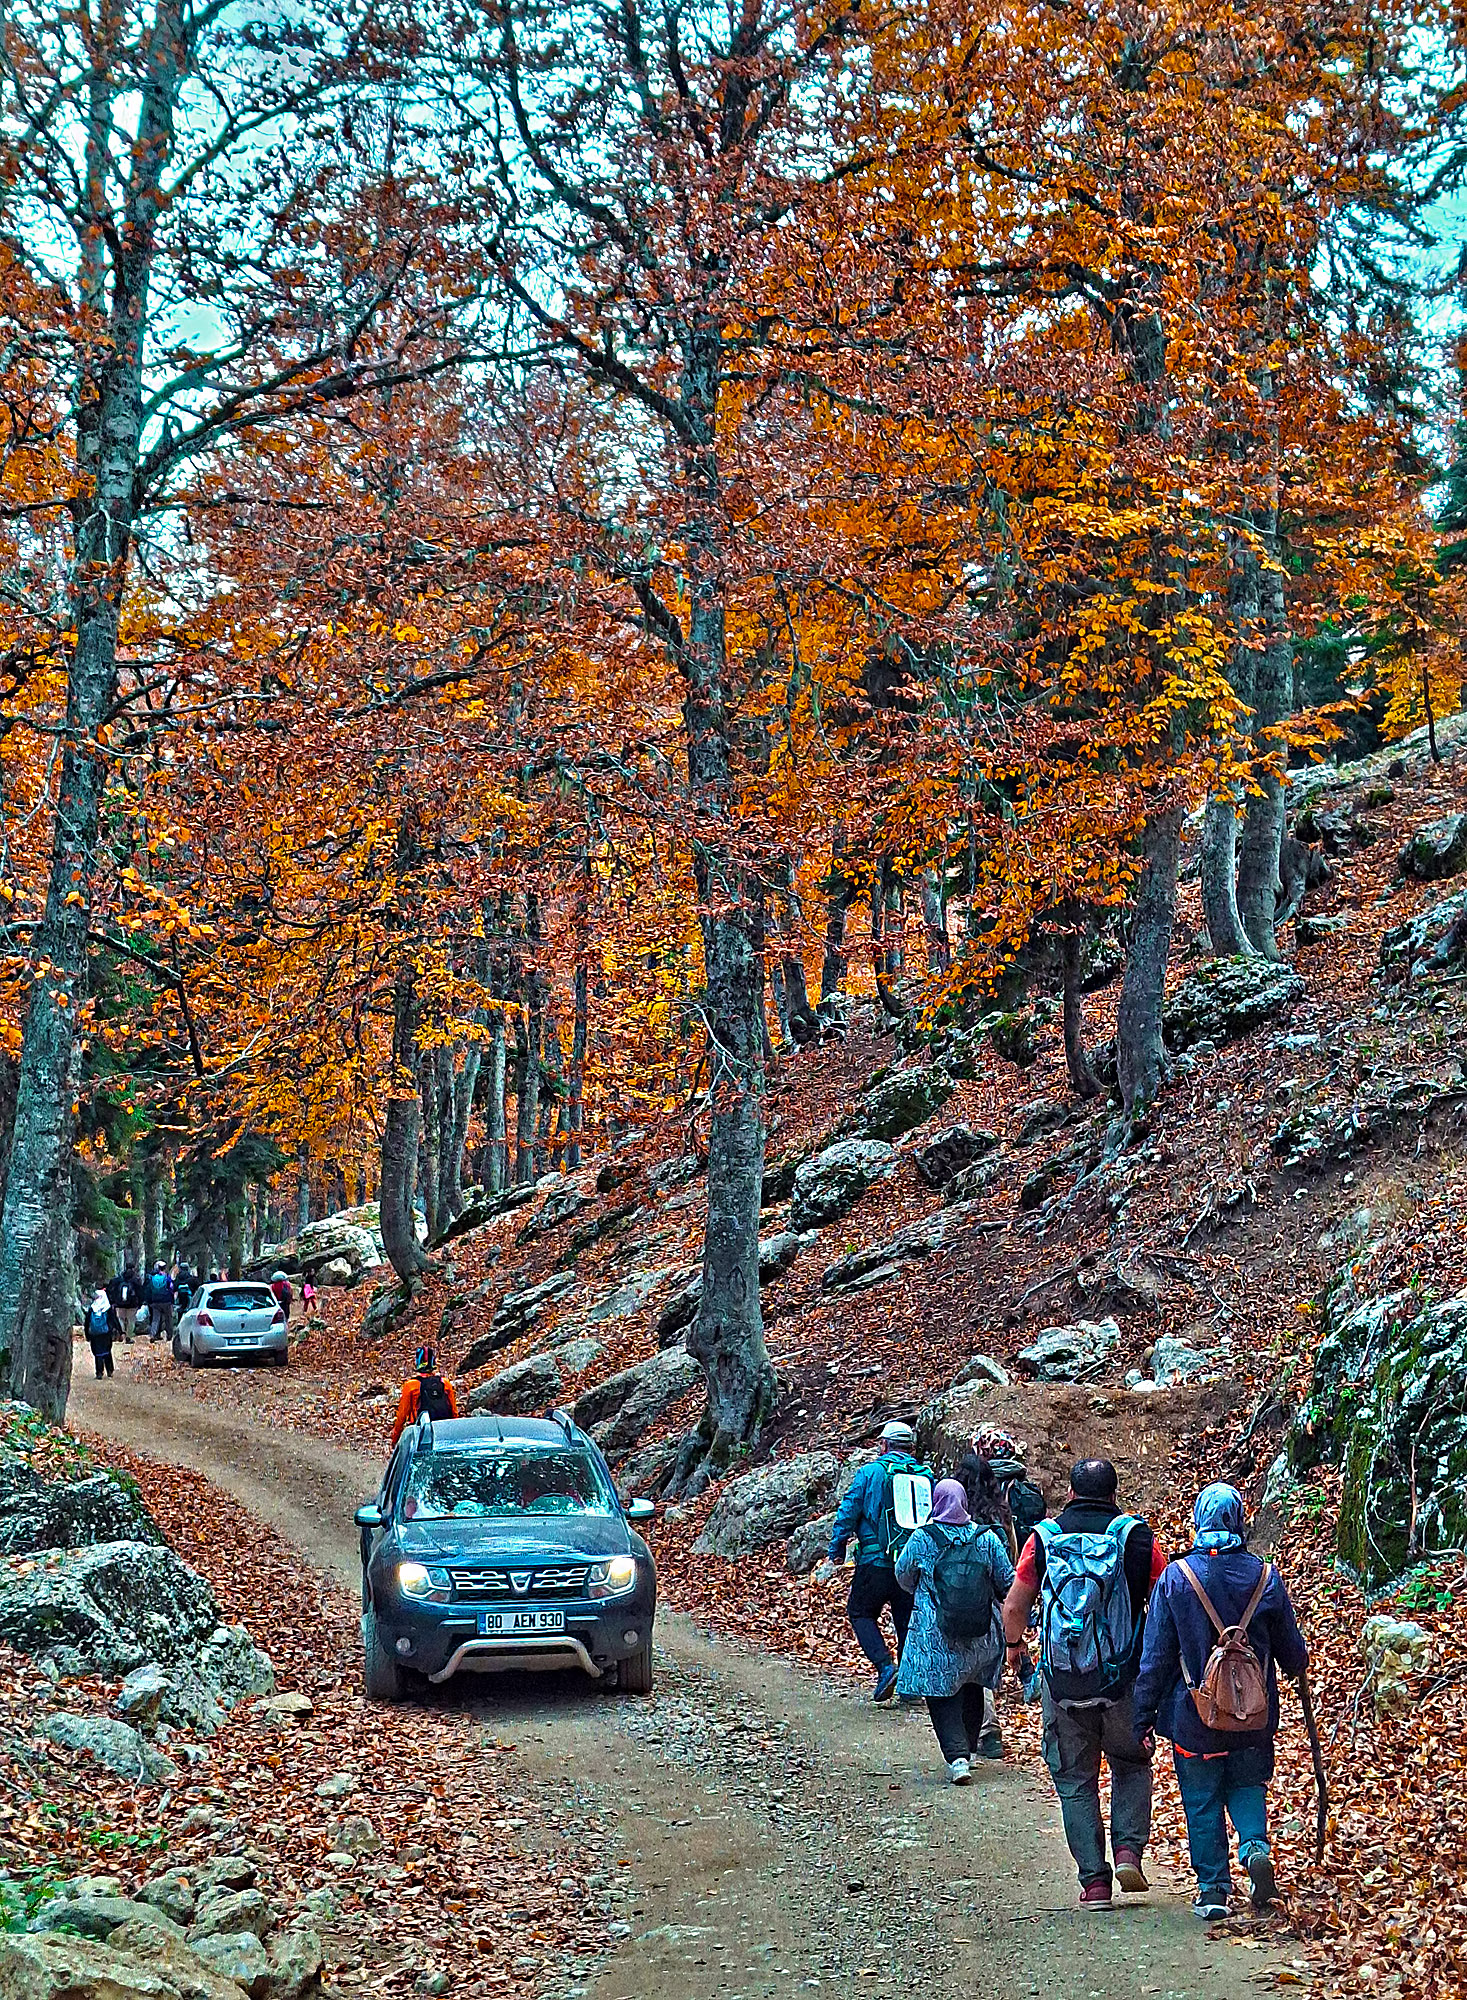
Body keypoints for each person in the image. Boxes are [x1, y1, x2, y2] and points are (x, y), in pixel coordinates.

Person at [1133, 1482, 1308, 1920]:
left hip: (1195, 1719)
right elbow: (1294, 1655)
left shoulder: (1176, 1578)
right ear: (1240, 1519)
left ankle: (1213, 1891)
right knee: (1247, 1785)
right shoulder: (1266, 1577)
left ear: (1198, 1521)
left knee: (1202, 1799)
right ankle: (1254, 1848)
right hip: (1253, 1718)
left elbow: (1154, 1659)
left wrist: (1141, 1720)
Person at [1002, 1457, 1166, 1908]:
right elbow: (1166, 1598)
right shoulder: (1136, 1539)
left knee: (1075, 1779)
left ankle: (1095, 1882)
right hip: (1123, 1679)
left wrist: (1016, 1648)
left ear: (1070, 1493)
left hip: (1064, 1683)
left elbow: (1015, 1606)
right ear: (1115, 1494)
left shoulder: (1044, 1539)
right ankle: (1129, 1850)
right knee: (1131, 1764)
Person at [894, 1477, 1015, 1780]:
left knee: (940, 1693)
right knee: (973, 1683)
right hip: (980, 1632)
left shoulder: (923, 1538)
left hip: (936, 1634)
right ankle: (971, 1750)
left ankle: (957, 1757)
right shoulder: (986, 1538)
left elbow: (903, 1576)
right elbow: (1006, 1582)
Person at [815, 1419, 935, 1704]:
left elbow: (848, 1511)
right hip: (912, 1564)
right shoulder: (926, 1477)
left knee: (860, 1612)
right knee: (907, 1620)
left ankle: (884, 1666)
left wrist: (837, 1548)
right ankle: (909, 1685)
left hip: (875, 1561)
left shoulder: (870, 1473)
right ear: (910, 1447)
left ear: (884, 1445)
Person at [389, 1346, 460, 1445]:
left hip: (421, 1433)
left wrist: (395, 1440)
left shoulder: (411, 1386)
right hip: (444, 1431)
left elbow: (402, 1416)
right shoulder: (445, 1383)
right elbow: (454, 1413)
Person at [85, 1288, 118, 1379]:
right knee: (107, 1351)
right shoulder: (107, 1308)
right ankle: (109, 1370)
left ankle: (99, 1372)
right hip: (106, 1333)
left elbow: (87, 1322)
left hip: (95, 1335)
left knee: (98, 1353)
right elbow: (113, 1320)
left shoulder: (92, 1308)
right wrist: (118, 1330)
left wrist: (87, 1335)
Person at [108, 1263, 144, 1339]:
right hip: (132, 1305)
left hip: (120, 1304)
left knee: (121, 1319)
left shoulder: (119, 1279)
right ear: (133, 1268)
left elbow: (113, 1290)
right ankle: (129, 1336)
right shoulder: (135, 1280)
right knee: (131, 1320)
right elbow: (140, 1292)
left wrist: (114, 1301)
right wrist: (140, 1303)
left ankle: (122, 1333)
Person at [144, 1261, 175, 1344]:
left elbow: (149, 1290)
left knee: (155, 1319)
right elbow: (171, 1288)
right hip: (166, 1301)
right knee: (168, 1318)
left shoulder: (153, 1278)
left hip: (155, 1301)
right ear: (165, 1268)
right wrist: (172, 1300)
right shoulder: (167, 1278)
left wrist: (149, 1301)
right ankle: (169, 1335)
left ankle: (153, 1334)